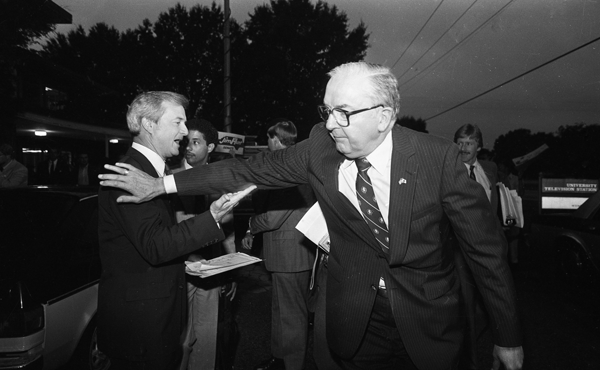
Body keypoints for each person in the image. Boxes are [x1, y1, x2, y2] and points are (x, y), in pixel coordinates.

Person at [99, 63, 524, 370]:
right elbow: (247, 168)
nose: (332, 124)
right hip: (356, 324)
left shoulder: (438, 159)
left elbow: (486, 254)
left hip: (428, 323)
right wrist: (164, 185)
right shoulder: (320, 148)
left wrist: (508, 338)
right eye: (327, 111)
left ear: (384, 116)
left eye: (344, 113)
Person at [97, 91, 245, 370]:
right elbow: (155, 246)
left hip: (156, 318)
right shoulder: (129, 175)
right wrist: (212, 217)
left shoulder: (154, 172)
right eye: (177, 122)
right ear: (149, 124)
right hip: (141, 327)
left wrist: (185, 268)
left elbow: (141, 247)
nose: (185, 131)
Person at [240, 119, 316, 370]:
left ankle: (292, 365)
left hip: (290, 255)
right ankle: (279, 359)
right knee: (281, 311)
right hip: (286, 254)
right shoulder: (291, 164)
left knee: (292, 316)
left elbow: (274, 217)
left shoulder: (290, 168)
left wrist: (251, 224)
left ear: (276, 139)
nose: (267, 143)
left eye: (268, 138)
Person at [175, 118, 238, 370]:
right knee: (181, 339)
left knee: (207, 337)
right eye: (186, 141)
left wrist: (232, 268)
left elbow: (229, 230)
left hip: (212, 267)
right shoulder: (171, 178)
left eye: (196, 142)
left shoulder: (221, 180)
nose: (188, 147)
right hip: (182, 269)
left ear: (210, 147)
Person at [453, 123, 500, 370]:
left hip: (488, 249)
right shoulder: (449, 171)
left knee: (491, 306)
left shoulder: (489, 170)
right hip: (459, 252)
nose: (463, 148)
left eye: (469, 143)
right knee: (467, 308)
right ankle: (468, 362)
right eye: (460, 142)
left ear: (479, 147)